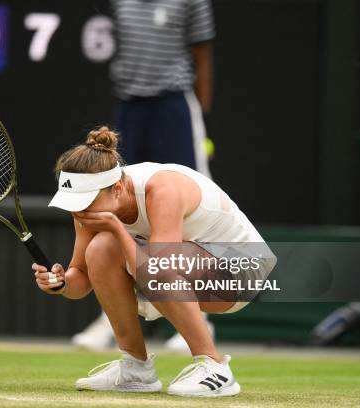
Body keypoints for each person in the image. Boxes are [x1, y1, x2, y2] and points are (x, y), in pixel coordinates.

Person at [33, 127, 276, 397]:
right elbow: (81, 280)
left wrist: (116, 229)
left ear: (116, 188)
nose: (79, 210)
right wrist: (60, 283)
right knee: (100, 248)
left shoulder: (163, 189)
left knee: (143, 258)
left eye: (86, 201)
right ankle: (136, 367)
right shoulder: (87, 207)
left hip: (243, 270)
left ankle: (216, 367)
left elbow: (160, 268)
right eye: (73, 202)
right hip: (189, 270)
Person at [73, 0, 217, 351]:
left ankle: (201, 319)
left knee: (188, 204)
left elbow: (202, 54)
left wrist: (199, 113)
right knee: (109, 197)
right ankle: (112, 318)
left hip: (174, 105)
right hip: (130, 105)